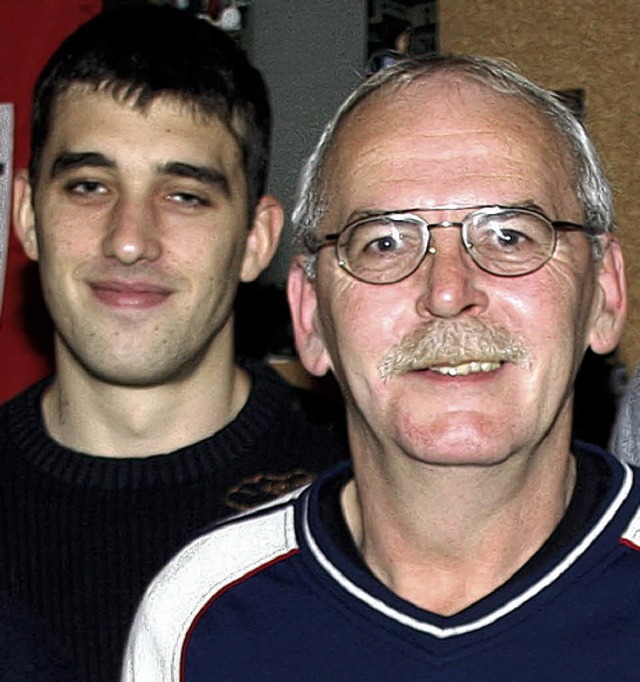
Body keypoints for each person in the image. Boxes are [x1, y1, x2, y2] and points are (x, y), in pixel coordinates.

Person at [121, 54, 636, 681]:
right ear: (310, 316)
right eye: (384, 242)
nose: (448, 291)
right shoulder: (201, 617)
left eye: (509, 235)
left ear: (605, 294)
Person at [1, 5, 347, 682]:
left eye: (186, 195)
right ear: (27, 217)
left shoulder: (359, 505)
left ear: (256, 239)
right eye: (89, 186)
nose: (130, 238)